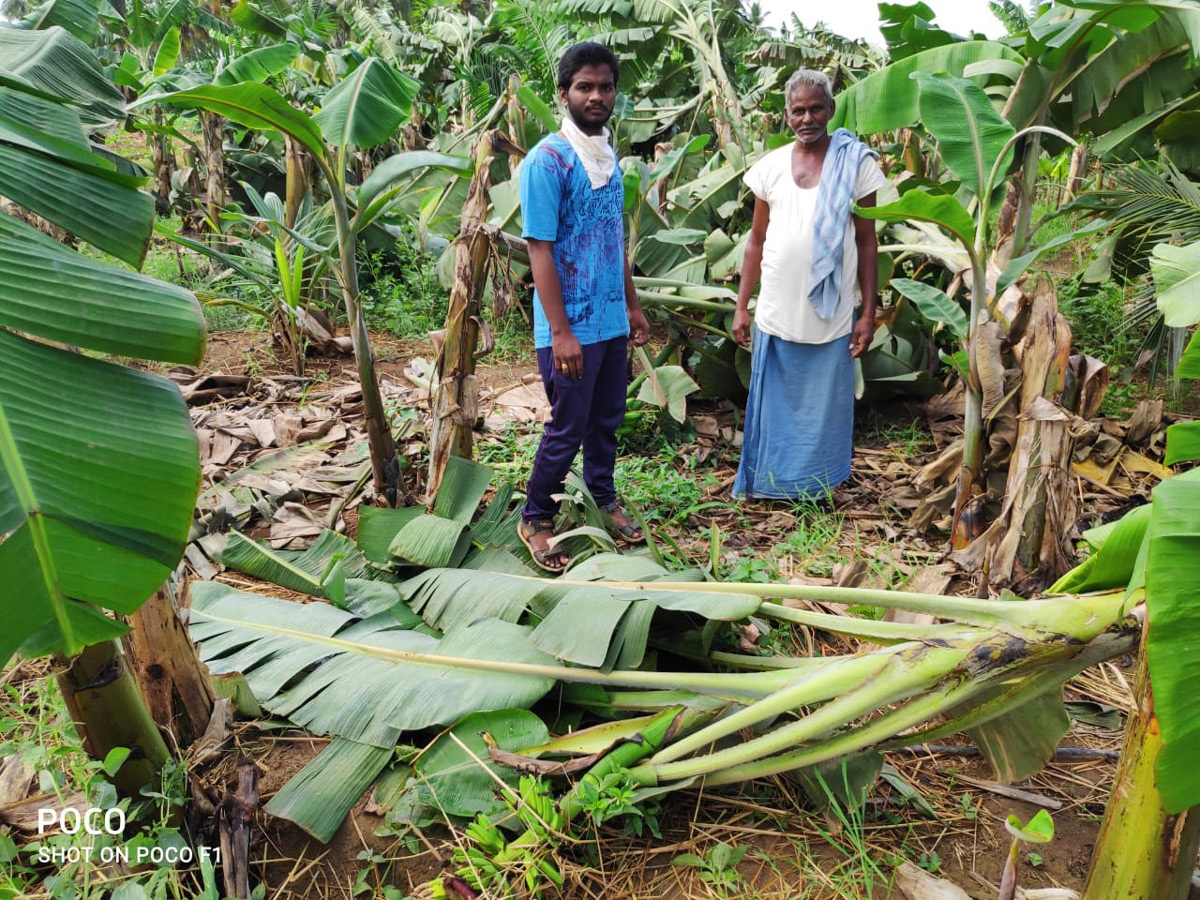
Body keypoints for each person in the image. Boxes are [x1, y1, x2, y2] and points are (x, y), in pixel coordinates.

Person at [517, 41, 651, 572]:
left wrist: (633, 307)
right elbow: (540, 249)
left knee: (605, 421)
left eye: (605, 86)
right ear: (564, 93)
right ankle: (535, 516)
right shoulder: (547, 161)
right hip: (569, 326)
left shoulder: (607, 157)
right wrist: (562, 331)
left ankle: (604, 497)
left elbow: (612, 238)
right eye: (585, 87)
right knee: (567, 426)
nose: (597, 96)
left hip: (610, 320)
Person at [731, 68, 889, 502]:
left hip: (833, 309)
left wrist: (868, 313)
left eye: (816, 108)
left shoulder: (856, 165)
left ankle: (815, 489)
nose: (807, 118)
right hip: (778, 307)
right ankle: (769, 486)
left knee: (823, 406)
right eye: (798, 110)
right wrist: (742, 305)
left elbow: (866, 240)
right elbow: (756, 241)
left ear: (831, 109)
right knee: (775, 403)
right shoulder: (770, 168)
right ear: (786, 115)